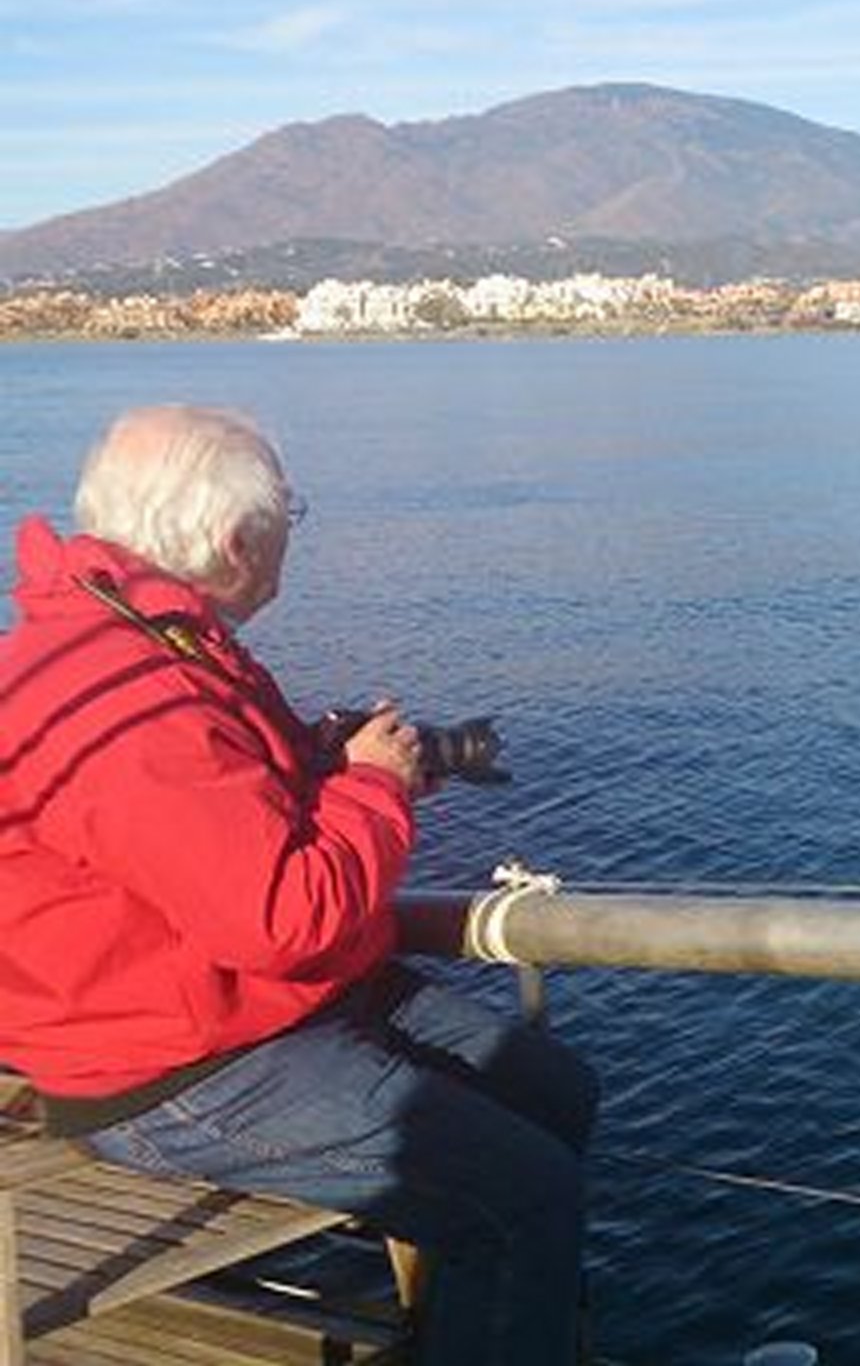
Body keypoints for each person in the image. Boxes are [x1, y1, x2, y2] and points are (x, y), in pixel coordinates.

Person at [0, 405, 598, 1364]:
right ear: (239, 539)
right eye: (291, 511)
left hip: (248, 1010)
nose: (292, 531)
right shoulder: (133, 693)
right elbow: (283, 918)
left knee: (550, 1088)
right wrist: (370, 786)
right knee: (523, 1198)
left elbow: (224, 818)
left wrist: (324, 767)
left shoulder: (143, 640)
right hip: (171, 1069)